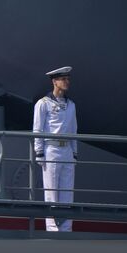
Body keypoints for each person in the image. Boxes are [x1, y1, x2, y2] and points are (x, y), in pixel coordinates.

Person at [34, 66, 78, 232]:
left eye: (68, 79)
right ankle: (52, 228)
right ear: (55, 81)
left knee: (67, 191)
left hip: (66, 150)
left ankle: (66, 228)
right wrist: (39, 152)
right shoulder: (43, 104)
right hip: (51, 149)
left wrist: (74, 153)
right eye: (63, 79)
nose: (67, 82)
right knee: (51, 192)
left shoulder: (71, 105)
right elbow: (37, 129)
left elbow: (73, 130)